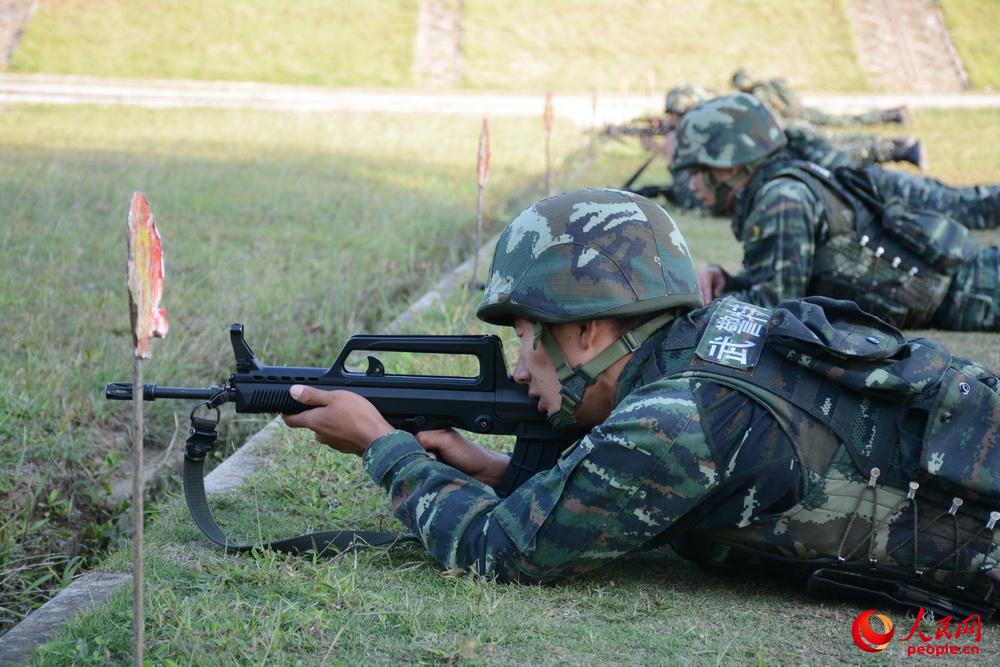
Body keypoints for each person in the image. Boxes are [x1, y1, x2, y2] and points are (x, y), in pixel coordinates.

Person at [282, 188, 1000, 618]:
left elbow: (499, 551)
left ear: (588, 332)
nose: (524, 368)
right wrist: (491, 468)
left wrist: (384, 447)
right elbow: (624, 497)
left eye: (531, 339)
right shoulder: (714, 339)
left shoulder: (674, 418)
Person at [671, 93, 1000, 331]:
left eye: (698, 170)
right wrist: (729, 281)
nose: (692, 185)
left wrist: (700, 308)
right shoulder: (784, 184)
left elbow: (773, 311)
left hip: (971, 293)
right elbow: (785, 281)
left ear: (731, 167)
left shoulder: (782, 198)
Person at [633, 85, 924, 210]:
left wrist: (674, 160)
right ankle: (899, 147)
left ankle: (898, 148)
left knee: (840, 151)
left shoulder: (713, 137)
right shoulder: (715, 125)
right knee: (839, 146)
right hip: (786, 141)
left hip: (788, 144)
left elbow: (703, 201)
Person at [731, 67, 910, 126]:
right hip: (802, 114)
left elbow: (773, 118)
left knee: (844, 122)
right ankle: (892, 115)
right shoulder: (765, 87)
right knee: (845, 120)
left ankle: (891, 115)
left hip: (800, 119)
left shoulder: (758, 94)